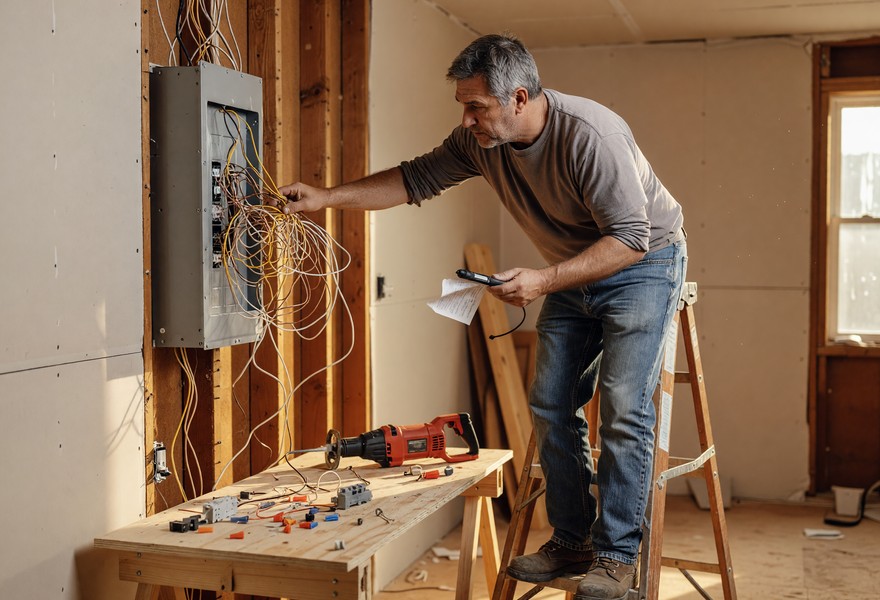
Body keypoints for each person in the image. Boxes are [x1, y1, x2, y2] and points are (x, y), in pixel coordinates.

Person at [277, 33, 687, 600]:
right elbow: (412, 179)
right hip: (573, 265)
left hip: (642, 262)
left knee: (622, 405)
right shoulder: (479, 144)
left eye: (477, 107)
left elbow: (632, 239)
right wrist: (327, 198)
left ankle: (617, 555)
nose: (467, 119)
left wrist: (543, 281)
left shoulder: (592, 135)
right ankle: (573, 542)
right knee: (549, 402)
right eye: (464, 107)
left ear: (519, 98)